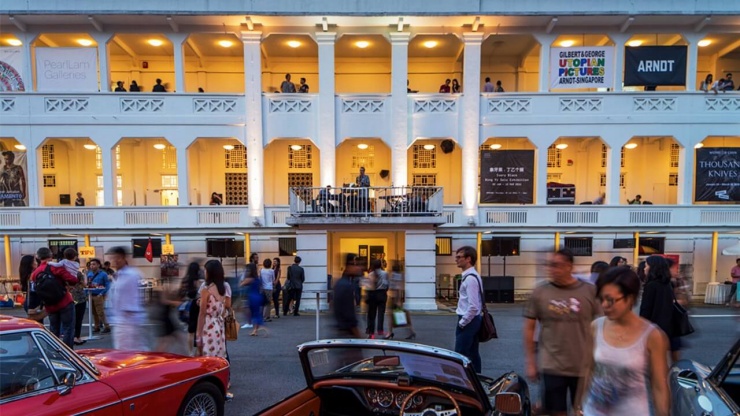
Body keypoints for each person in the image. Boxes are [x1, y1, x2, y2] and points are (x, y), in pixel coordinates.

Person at [582, 266, 670, 416]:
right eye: (601, 299)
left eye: (610, 300)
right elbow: (588, 370)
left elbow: (659, 386)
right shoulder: (596, 326)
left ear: (630, 299)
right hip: (593, 411)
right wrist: (580, 405)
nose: (604, 305)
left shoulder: (653, 336)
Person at [523, 248, 601, 416]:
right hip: (552, 365)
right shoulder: (540, 292)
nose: (551, 269)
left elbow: (601, 325)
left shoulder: (589, 291)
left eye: (556, 265)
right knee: (556, 411)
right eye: (549, 265)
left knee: (583, 411)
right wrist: (531, 362)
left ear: (569, 266)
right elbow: (529, 327)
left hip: (583, 365)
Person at [30, 247, 78, 348]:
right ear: (51, 255)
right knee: (68, 328)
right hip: (64, 301)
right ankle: (68, 353)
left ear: (38, 257)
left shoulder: (35, 273)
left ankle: (53, 352)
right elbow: (72, 280)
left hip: (50, 305)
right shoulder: (54, 267)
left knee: (54, 329)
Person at [106, 246, 148, 350]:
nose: (115, 261)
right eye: (113, 258)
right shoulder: (118, 275)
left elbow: (133, 298)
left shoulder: (131, 274)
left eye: (118, 257)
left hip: (128, 320)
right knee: (130, 351)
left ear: (124, 258)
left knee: (128, 353)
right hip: (120, 319)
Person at [639, 255, 677, 363]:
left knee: (651, 361)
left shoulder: (651, 285)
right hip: (666, 328)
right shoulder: (667, 284)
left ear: (653, 267)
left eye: (646, 265)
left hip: (652, 328)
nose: (644, 268)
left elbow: (646, 310)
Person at [454, 246, 483, 372]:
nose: (456, 260)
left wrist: (462, 322)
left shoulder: (471, 279)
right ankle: (477, 380)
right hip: (473, 319)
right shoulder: (472, 276)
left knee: (460, 355)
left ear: (468, 259)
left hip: (469, 320)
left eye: (459, 257)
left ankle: (464, 384)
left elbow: (473, 305)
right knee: (472, 353)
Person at [48, 248, 85, 346]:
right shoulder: (77, 265)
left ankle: (56, 344)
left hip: (65, 282)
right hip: (72, 284)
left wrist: (49, 263)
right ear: (75, 256)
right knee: (70, 325)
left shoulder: (63, 263)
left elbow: (57, 265)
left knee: (57, 325)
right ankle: (69, 345)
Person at [196, 259, 230, 357]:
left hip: (208, 326)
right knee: (218, 356)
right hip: (219, 325)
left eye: (205, 270)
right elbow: (225, 306)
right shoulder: (223, 288)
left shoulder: (205, 290)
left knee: (207, 358)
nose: (204, 272)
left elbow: (202, 314)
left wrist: (198, 335)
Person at [333, 253, 362, 338]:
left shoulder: (343, 283)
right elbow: (349, 316)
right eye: (355, 265)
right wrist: (357, 335)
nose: (359, 268)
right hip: (347, 335)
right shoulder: (345, 286)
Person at [387, 262, 416, 339]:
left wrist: (398, 300)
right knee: (402, 315)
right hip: (396, 297)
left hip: (394, 297)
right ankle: (411, 331)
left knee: (392, 315)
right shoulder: (400, 275)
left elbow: (398, 288)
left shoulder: (395, 275)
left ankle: (390, 332)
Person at [181, 261, 203, 356]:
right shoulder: (198, 280)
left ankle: (190, 352)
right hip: (196, 304)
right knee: (199, 329)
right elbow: (200, 292)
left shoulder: (185, 279)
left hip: (187, 304)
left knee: (190, 331)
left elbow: (182, 292)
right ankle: (198, 351)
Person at [365, 259, 389, 338]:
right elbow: (387, 284)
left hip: (373, 294)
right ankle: (380, 330)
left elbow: (368, 286)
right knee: (381, 313)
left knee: (372, 314)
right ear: (381, 265)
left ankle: (371, 333)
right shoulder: (385, 273)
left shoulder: (370, 274)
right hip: (382, 293)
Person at [87, 258, 110, 334]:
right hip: (91, 294)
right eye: (91, 264)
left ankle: (106, 326)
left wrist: (102, 293)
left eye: (94, 264)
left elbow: (107, 285)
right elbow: (88, 284)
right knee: (94, 312)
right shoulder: (89, 274)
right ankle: (96, 326)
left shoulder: (103, 274)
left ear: (98, 265)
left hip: (99, 295)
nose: (92, 266)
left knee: (100, 311)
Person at [240, 253, 260, 328]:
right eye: (256, 257)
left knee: (246, 307)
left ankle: (250, 323)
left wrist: (242, 283)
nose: (257, 259)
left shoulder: (251, 277)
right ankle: (253, 325)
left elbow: (242, 284)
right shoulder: (255, 276)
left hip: (250, 294)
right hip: (254, 294)